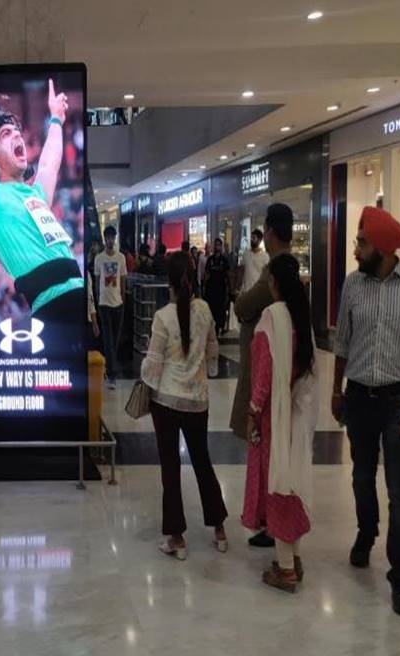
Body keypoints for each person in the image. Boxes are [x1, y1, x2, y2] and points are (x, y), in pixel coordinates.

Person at [333, 206, 400, 617]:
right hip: (360, 396)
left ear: (383, 247)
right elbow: (343, 343)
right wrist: (336, 390)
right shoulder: (352, 285)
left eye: (362, 242)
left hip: (399, 399)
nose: (356, 248)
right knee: (362, 475)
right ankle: (365, 533)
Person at [0, 80, 85, 330]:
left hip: (80, 294)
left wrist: (56, 117)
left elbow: (50, 162)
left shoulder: (36, 193)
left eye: (17, 132)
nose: (17, 135)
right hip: (51, 309)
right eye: (6, 134)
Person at [141, 252, 228, 560]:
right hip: (197, 400)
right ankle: (218, 527)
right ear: (191, 277)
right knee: (202, 460)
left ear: (168, 280)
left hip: (166, 401)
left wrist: (144, 378)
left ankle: (176, 537)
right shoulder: (204, 310)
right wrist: (203, 373)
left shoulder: (163, 316)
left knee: (171, 467)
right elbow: (213, 351)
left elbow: (153, 365)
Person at [243, 254, 318, 593]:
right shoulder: (302, 319)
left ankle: (286, 568)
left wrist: (253, 410)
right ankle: (294, 557)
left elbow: (263, 375)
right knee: (292, 482)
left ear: (274, 282)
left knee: (278, 486)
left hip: (274, 417)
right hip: (297, 416)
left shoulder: (271, 318)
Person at [231, 203, 295, 548]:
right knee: (272, 456)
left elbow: (242, 307)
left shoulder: (277, 269)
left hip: (267, 382)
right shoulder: (288, 270)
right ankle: (272, 524)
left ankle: (276, 529)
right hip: (280, 379)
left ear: (269, 232)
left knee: (268, 457)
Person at [94, 226, 127, 389]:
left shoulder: (121, 258)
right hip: (104, 304)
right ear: (104, 239)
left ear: (115, 239)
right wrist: (97, 300)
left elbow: (123, 280)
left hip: (117, 303)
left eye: (112, 237)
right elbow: (96, 280)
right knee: (108, 339)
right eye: (107, 237)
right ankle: (112, 374)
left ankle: (109, 368)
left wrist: (123, 300)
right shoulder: (99, 259)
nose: (110, 240)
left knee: (115, 339)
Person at [203, 238, 231, 336]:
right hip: (211, 289)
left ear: (221, 246)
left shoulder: (224, 260)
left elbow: (228, 274)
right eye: (216, 245)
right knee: (211, 309)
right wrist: (204, 286)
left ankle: (220, 327)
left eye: (219, 245)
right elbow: (206, 273)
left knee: (221, 309)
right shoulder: (210, 260)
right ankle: (212, 328)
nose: (217, 247)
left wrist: (229, 288)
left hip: (221, 288)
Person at [240, 229, 268, 293]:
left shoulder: (265, 256)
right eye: (251, 238)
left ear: (260, 240)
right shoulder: (246, 254)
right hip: (246, 290)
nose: (251, 240)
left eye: (254, 238)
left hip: (258, 291)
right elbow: (241, 271)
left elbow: (266, 275)